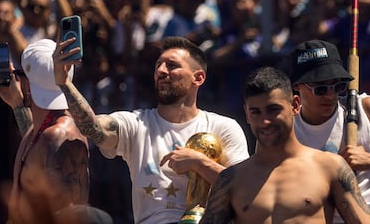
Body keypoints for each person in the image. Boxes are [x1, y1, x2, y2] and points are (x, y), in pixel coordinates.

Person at [52, 36, 249, 224]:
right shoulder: (136, 124)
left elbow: (246, 188)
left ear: (198, 78)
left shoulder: (223, 127)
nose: (161, 71)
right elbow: (93, 127)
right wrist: (65, 83)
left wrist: (199, 162)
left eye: (172, 65)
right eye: (158, 66)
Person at [200, 66, 370, 223]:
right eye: (256, 112)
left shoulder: (330, 167)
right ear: (246, 114)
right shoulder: (232, 179)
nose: (265, 121)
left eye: (273, 110)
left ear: (295, 105)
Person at [0, 39, 92, 224]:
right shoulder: (45, 131)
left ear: (26, 84)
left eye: (19, 75)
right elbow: (37, 150)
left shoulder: (59, 135)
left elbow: (69, 213)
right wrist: (17, 103)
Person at [289, 39, 370, 223]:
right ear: (297, 86)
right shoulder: (287, 130)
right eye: (320, 88)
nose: (331, 95)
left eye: (338, 86)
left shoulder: (367, 109)